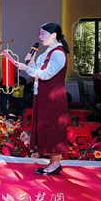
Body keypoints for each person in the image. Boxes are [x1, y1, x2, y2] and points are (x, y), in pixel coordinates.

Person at [16, 22, 70, 175]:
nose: (40, 37)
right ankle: (52, 163)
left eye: (43, 34)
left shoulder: (58, 53)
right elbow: (37, 71)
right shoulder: (48, 52)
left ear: (53, 35)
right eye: (40, 34)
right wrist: (31, 62)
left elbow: (46, 75)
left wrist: (26, 68)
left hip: (54, 96)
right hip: (44, 95)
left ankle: (55, 164)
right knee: (47, 127)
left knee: (54, 128)